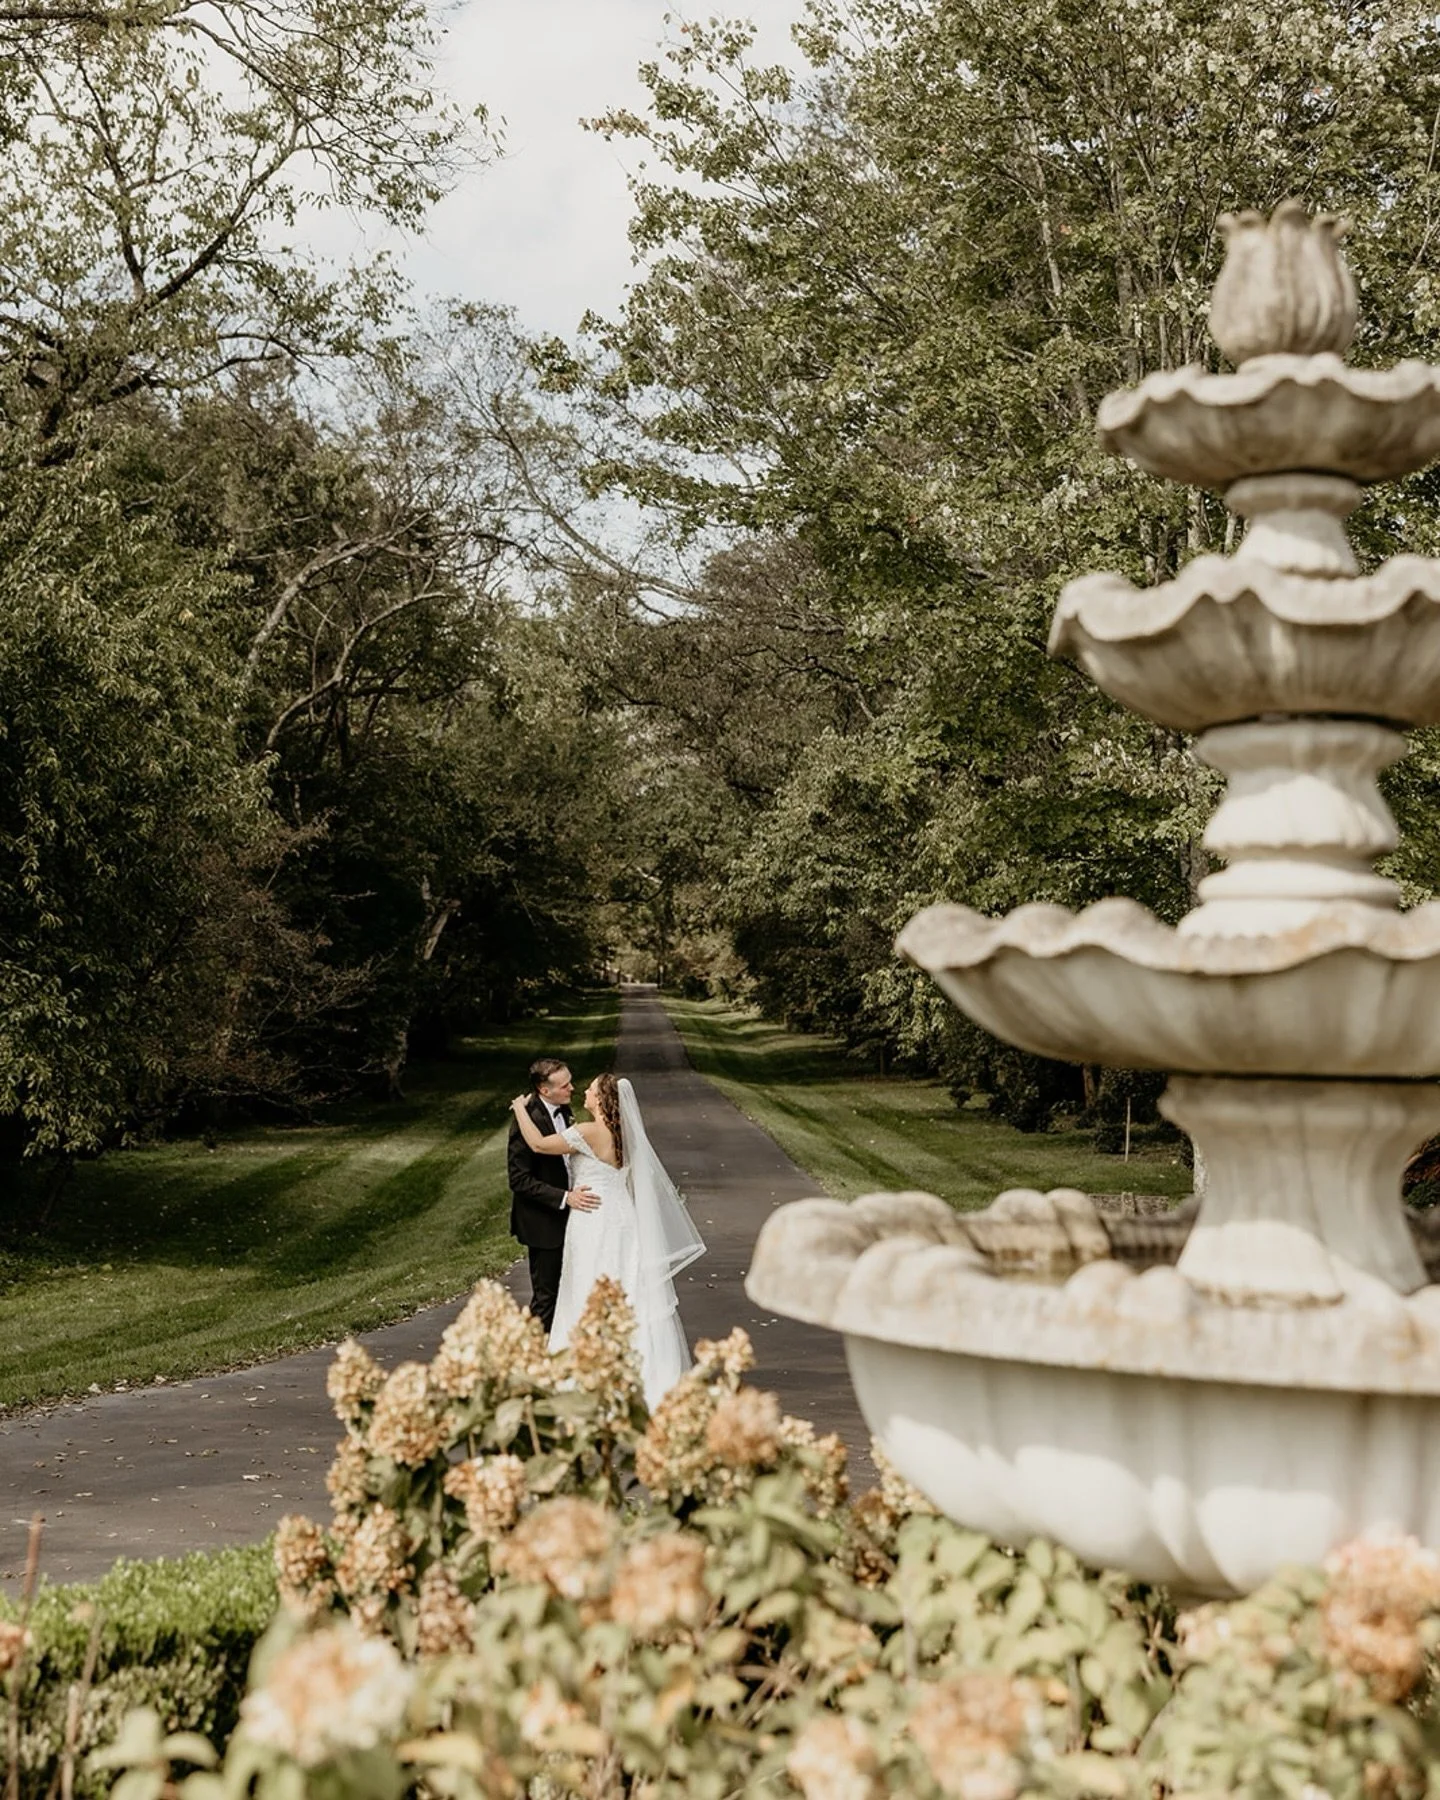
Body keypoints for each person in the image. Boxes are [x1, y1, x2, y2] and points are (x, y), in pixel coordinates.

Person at [509, 1072, 705, 1406]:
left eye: (591, 1089)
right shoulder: (624, 1135)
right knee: (628, 1288)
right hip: (623, 1218)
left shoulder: (587, 1132)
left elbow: (539, 1145)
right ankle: (641, 1371)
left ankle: (583, 1377)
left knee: (587, 1288)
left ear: (600, 1100)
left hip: (594, 1219)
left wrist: (519, 1110)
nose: (583, 1090)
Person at [507, 1057, 600, 1333]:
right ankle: (533, 1358)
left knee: (571, 1290)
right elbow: (519, 1180)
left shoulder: (563, 1109)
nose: (572, 1088)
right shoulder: (527, 1121)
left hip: (571, 1219)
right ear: (544, 1090)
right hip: (544, 1222)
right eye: (564, 1085)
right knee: (547, 1297)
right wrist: (564, 1197)